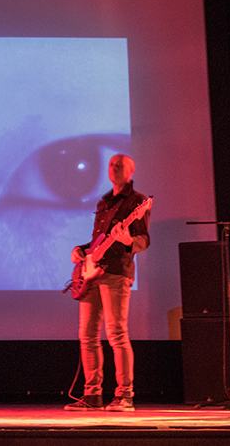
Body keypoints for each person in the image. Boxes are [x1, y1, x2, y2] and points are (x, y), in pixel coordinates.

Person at [65, 153, 152, 412]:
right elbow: (98, 240)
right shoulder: (103, 202)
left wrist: (127, 240)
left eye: (119, 165)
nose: (114, 167)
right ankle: (92, 395)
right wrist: (80, 250)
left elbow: (143, 240)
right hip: (92, 272)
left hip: (116, 273)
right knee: (87, 335)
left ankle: (125, 395)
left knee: (116, 333)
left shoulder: (138, 202)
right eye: (111, 164)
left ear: (131, 171)